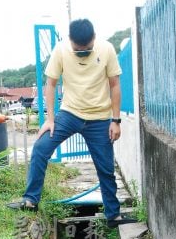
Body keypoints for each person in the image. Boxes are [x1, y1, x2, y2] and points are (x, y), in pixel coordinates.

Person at [7, 18, 132, 228]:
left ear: (94, 38)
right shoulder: (61, 50)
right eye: (78, 49)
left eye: (87, 49)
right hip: (69, 113)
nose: (82, 52)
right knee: (40, 148)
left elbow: (115, 85)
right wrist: (50, 119)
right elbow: (50, 84)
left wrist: (116, 120)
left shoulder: (107, 49)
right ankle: (30, 201)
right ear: (70, 41)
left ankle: (113, 216)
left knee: (106, 168)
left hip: (100, 118)